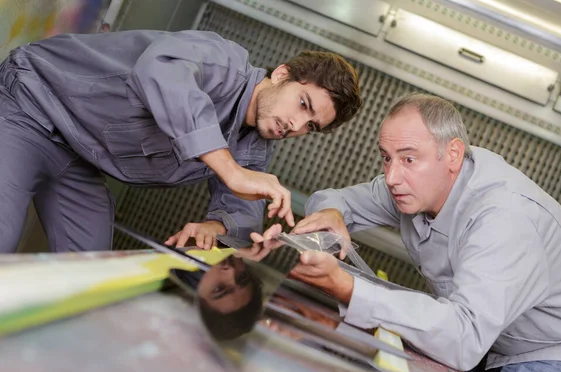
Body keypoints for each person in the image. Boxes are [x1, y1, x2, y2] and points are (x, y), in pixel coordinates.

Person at [255, 93, 561, 372]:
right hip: (489, 334)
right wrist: (328, 218)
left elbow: (464, 338)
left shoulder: (503, 218)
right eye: (386, 158)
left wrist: (349, 289)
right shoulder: (416, 185)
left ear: (452, 154)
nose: (391, 176)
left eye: (408, 158)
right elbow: (334, 201)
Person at [0, 29, 362, 253]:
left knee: (87, 271)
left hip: (78, 159)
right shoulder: (224, 62)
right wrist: (230, 170)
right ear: (282, 74)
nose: (296, 125)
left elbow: (241, 207)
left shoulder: (253, 147)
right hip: (30, 108)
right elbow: (161, 70)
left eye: (310, 126)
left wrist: (216, 227)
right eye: (303, 104)